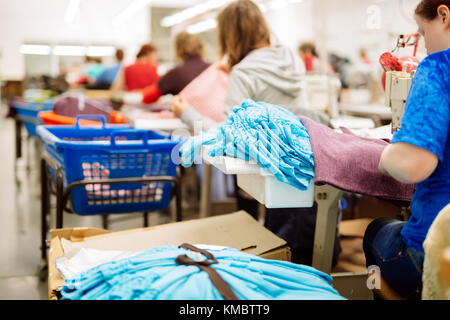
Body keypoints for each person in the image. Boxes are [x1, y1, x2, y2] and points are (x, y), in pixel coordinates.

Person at [172, 0, 337, 267]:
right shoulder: (291, 59)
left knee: (270, 222)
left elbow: (228, 135)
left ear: (229, 34)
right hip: (304, 160)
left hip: (274, 167)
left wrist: (186, 112)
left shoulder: (244, 71)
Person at [363, 0, 450, 300]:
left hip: (436, 252)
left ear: (444, 16)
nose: (424, 45)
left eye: (424, 33)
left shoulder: (439, 68)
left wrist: (386, 156)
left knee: (375, 231)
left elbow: (413, 165)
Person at [142, 32, 210, 103]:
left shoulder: (176, 73)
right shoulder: (213, 68)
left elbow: (147, 97)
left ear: (179, 50)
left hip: (186, 113)